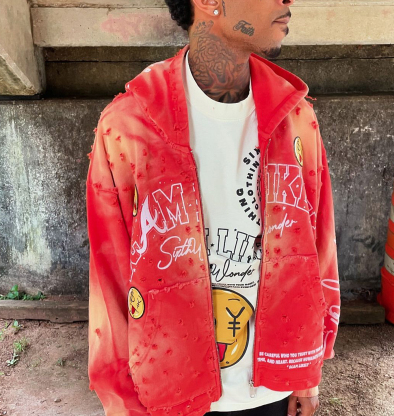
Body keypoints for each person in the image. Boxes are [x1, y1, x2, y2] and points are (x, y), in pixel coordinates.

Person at [85, 0, 341, 415]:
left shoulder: (295, 116)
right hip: (171, 390)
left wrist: (308, 370)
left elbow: (318, 247)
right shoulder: (129, 127)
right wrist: (123, 403)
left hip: (274, 385)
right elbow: (109, 277)